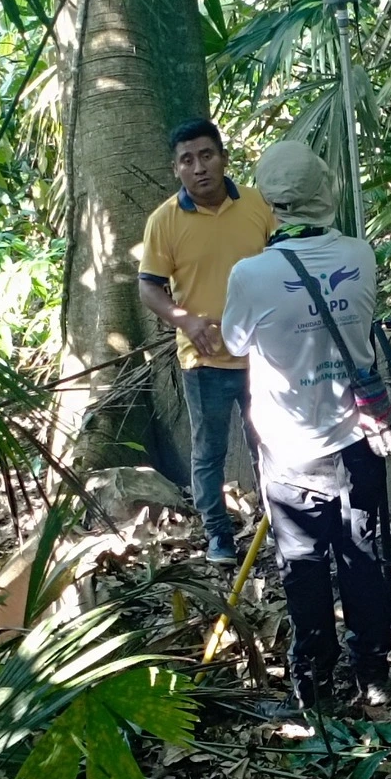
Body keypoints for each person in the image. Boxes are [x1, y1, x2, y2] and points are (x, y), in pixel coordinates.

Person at [221, 140, 391, 712]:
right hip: (357, 438)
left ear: (271, 202)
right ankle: (373, 671)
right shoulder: (362, 254)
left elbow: (235, 341)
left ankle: (313, 680)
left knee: (303, 567)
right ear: (325, 193)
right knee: (365, 560)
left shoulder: (251, 274)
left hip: (288, 447)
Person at [138, 119, 274, 565]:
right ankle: (219, 535)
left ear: (224, 158)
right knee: (209, 451)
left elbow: (282, 263)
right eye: (187, 160)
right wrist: (187, 321)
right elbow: (149, 288)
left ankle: (277, 524)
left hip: (264, 355)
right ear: (176, 169)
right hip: (205, 358)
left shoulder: (257, 205)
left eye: (207, 155)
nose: (199, 168)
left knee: (269, 443)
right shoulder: (164, 222)